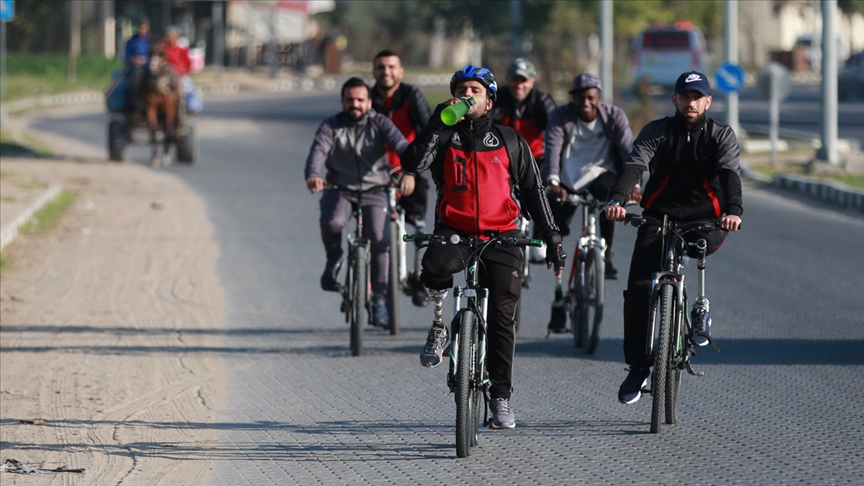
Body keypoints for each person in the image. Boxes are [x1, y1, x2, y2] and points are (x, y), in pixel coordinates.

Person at [401, 65, 566, 429]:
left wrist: (553, 237)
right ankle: (439, 326)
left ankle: (501, 397)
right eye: (461, 90)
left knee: (503, 318)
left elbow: (534, 191)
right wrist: (435, 123)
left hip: (502, 234)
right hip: (455, 231)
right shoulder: (444, 136)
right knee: (435, 265)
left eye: (475, 91)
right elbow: (411, 163)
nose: (467, 95)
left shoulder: (509, 140)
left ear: (489, 101)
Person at [605, 71, 743, 404]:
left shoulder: (720, 135)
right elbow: (635, 165)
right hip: (659, 216)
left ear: (707, 101)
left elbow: (729, 173)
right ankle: (638, 367)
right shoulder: (657, 131)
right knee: (638, 288)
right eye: (685, 97)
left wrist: (734, 211)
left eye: (697, 97)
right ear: (675, 100)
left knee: (700, 249)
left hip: (705, 219)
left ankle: (700, 308)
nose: (690, 103)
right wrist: (617, 200)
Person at [305, 77, 410, 329]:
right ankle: (334, 259)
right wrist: (313, 174)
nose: (355, 104)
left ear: (369, 102)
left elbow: (402, 145)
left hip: (376, 190)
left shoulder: (380, 122)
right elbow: (318, 150)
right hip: (340, 189)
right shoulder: (331, 126)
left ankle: (379, 301)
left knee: (379, 239)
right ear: (342, 101)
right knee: (332, 222)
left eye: (360, 100)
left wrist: (410, 171)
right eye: (350, 100)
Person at [542, 72, 638, 332]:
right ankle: (559, 290)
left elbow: (629, 152)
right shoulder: (562, 116)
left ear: (599, 97)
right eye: (580, 98)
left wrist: (635, 186)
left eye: (590, 97)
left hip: (601, 173)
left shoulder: (614, 116)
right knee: (557, 228)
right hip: (567, 177)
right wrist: (553, 181)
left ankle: (606, 255)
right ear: (574, 98)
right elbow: (552, 148)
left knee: (610, 202)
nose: (585, 103)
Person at [370, 49, 431, 307]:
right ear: (374, 71)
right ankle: (365, 276)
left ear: (400, 71)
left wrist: (412, 171)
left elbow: (428, 133)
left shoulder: (411, 95)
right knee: (368, 226)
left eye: (391, 67)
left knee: (419, 224)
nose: (386, 72)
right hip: (373, 173)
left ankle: (418, 277)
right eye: (381, 67)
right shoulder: (367, 99)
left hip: (408, 170)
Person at [490, 58, 557, 265]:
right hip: (503, 159)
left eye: (524, 81)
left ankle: (540, 237)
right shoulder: (497, 99)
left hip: (535, 158)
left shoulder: (542, 101)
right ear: (507, 79)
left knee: (546, 186)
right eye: (515, 80)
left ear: (532, 81)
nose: (519, 85)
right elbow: (486, 127)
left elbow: (555, 135)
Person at [163, 26, 202, 113]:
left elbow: (188, 63)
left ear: (176, 37)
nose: (168, 39)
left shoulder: (182, 50)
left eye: (170, 36)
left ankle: (192, 107)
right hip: (166, 75)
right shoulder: (163, 49)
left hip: (180, 75)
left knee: (190, 90)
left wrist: (184, 72)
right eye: (166, 36)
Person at [124, 17, 152, 116]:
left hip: (149, 67)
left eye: (144, 28)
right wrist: (134, 59)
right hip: (135, 68)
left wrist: (146, 60)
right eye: (140, 28)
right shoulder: (131, 41)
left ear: (147, 28)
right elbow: (126, 56)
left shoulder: (151, 40)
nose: (142, 30)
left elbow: (156, 55)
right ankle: (134, 103)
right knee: (133, 81)